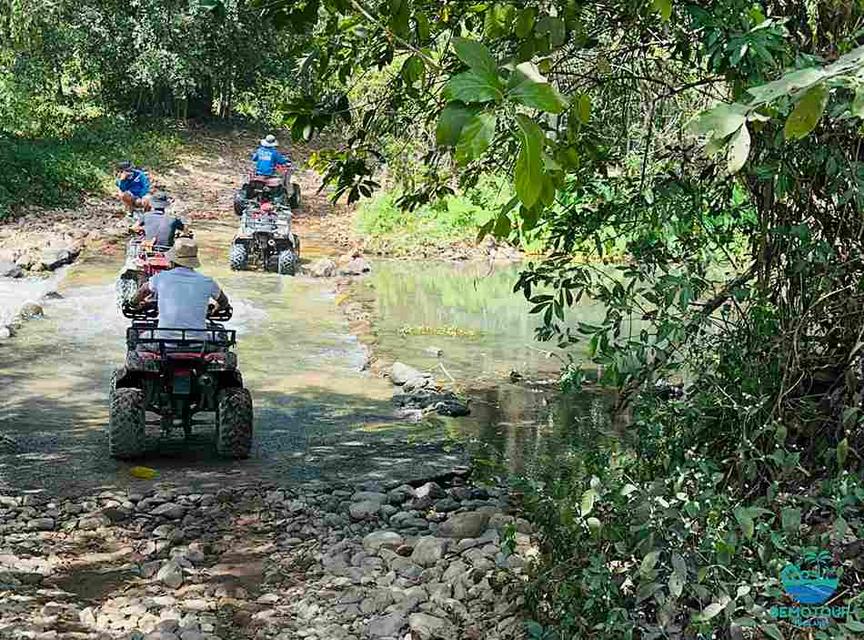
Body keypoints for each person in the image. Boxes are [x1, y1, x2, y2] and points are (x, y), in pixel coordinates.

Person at [126, 238, 230, 341]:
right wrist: (215, 310)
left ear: (172, 260)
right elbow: (224, 301)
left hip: (163, 341)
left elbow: (143, 290)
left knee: (138, 338)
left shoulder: (161, 278)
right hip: (199, 342)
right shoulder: (207, 282)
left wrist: (133, 304)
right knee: (220, 338)